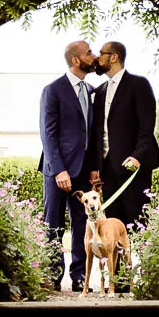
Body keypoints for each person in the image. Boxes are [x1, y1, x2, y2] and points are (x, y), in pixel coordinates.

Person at [88, 41, 159, 275]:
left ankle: (148, 275)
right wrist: (96, 168)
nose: (97, 58)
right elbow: (97, 134)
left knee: (138, 222)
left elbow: (146, 126)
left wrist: (137, 157)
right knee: (113, 227)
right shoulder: (99, 92)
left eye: (102, 54)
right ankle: (118, 280)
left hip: (134, 169)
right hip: (108, 170)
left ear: (114, 57)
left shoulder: (138, 85)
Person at [38, 40, 99, 291]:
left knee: (82, 224)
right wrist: (59, 169)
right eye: (89, 53)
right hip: (57, 170)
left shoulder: (91, 90)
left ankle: (79, 276)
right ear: (76, 60)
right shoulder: (53, 90)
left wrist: (94, 167)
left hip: (84, 169)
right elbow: (47, 133)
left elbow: (91, 133)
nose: (94, 56)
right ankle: (52, 275)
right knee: (53, 223)